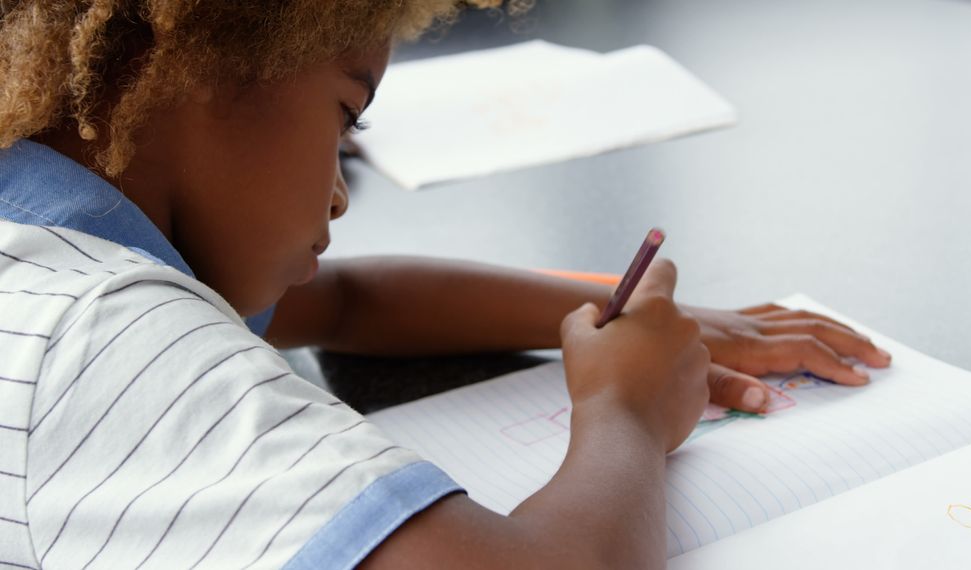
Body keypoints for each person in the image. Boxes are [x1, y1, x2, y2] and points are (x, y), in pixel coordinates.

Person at [0, 1, 891, 568]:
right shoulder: (95, 339)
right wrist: (626, 410)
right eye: (345, 119)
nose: (343, 194)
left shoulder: (40, 236)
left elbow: (344, 301)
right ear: (191, 70)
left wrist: (634, 324)